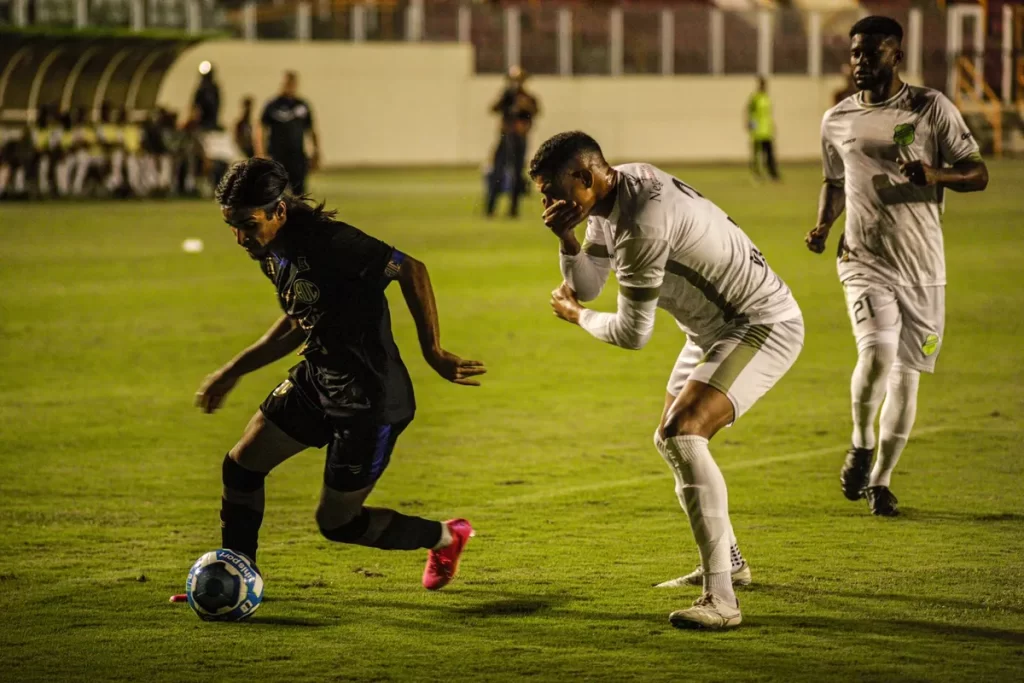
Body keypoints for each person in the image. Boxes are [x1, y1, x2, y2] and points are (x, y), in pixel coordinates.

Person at [532, 131, 803, 630]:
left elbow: (633, 334)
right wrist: (568, 239)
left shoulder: (642, 224)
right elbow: (589, 281)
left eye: (553, 191)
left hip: (761, 322)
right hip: (710, 328)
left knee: (683, 436)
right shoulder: (618, 188)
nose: (548, 203)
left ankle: (722, 598)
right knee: (670, 439)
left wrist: (577, 319)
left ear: (586, 177)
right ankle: (731, 562)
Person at [179, 158, 484, 599]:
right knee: (241, 467)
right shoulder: (271, 250)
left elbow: (410, 268)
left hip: (370, 400)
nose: (241, 237)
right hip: (317, 379)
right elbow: (298, 320)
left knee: (338, 523)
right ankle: (233, 579)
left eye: (249, 223)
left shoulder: (331, 243)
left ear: (279, 211)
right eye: (232, 225)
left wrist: (432, 351)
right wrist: (233, 371)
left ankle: (444, 538)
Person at [806, 16, 988, 516]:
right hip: (863, 259)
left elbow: (979, 173)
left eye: (871, 53)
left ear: (896, 55)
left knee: (907, 375)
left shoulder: (930, 107)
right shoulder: (837, 119)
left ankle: (881, 480)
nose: (860, 62)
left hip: (924, 265)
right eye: (855, 53)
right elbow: (834, 180)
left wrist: (936, 174)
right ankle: (861, 443)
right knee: (879, 354)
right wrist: (823, 225)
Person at [485, 66, 540, 218]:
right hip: (505, 138)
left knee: (516, 173)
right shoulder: (506, 96)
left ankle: (513, 209)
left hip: (519, 139)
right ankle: (490, 207)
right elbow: (494, 108)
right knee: (497, 171)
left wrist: (524, 107)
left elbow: (534, 114)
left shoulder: (528, 98)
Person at [255, 72, 321, 195]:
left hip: (297, 155)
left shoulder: (302, 106)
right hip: (277, 155)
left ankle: (298, 213)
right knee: (276, 191)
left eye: (292, 83)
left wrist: (316, 151)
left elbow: (311, 129)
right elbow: (260, 129)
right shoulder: (273, 105)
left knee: (299, 193)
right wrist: (260, 152)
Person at [747, 76, 779, 182]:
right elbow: (749, 112)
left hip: (767, 131)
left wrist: (772, 126)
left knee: (769, 154)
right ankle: (757, 174)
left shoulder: (767, 98)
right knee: (757, 155)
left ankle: (773, 174)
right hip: (757, 131)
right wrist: (751, 125)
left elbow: (768, 114)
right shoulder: (755, 98)